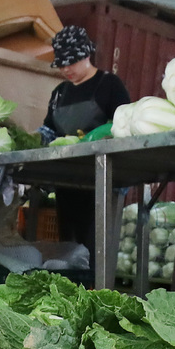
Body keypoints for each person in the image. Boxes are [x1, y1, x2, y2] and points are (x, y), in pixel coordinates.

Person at [39, 26, 131, 266]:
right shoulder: (59, 93)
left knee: (96, 250)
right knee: (68, 249)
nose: (66, 69)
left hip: (101, 181)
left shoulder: (109, 85)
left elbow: (125, 124)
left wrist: (96, 138)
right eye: (61, 64)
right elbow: (48, 130)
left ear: (86, 55)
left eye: (71, 62)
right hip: (66, 182)